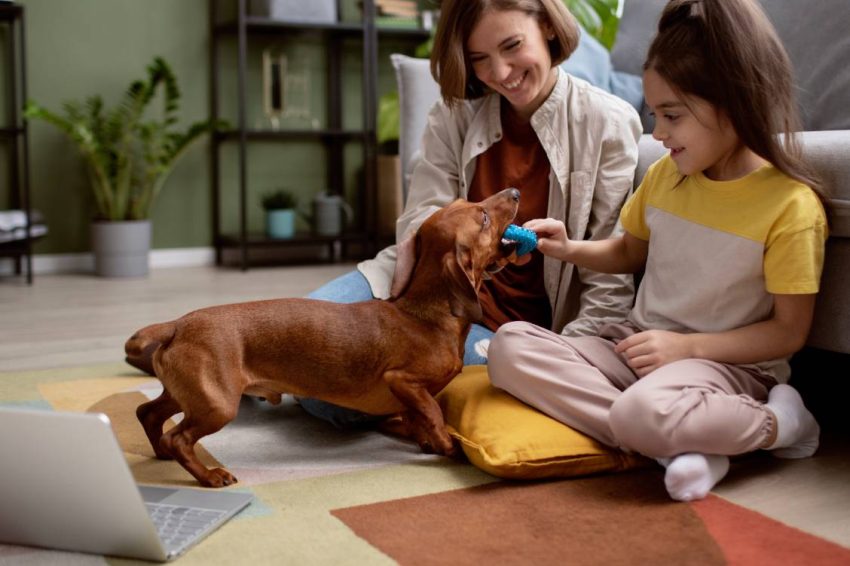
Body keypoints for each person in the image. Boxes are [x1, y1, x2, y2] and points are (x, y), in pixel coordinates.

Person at [488, 0, 828, 502]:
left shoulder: (790, 206)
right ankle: (674, 444)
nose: (658, 134)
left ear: (733, 103)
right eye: (655, 115)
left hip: (724, 369)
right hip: (639, 347)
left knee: (638, 412)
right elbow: (628, 252)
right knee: (509, 347)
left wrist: (687, 348)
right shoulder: (669, 175)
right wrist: (568, 248)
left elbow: (787, 332)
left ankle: (779, 422)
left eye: (672, 115)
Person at [299, 0, 642, 427]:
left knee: (331, 399)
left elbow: (608, 278)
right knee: (302, 348)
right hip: (424, 295)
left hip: (511, 333)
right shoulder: (454, 113)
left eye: (512, 46)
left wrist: (561, 360)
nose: (499, 73)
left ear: (549, 28)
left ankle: (424, 394)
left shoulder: (606, 123)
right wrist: (478, 248)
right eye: (479, 59)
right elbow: (419, 217)